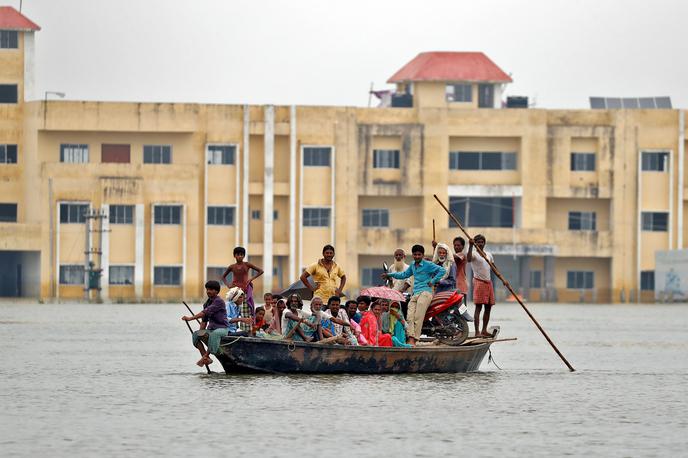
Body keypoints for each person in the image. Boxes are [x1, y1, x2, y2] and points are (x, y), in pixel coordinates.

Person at [382, 244, 446, 346]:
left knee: (418, 317)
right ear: (412, 255)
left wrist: (433, 281)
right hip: (415, 293)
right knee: (409, 317)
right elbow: (403, 275)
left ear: (422, 255)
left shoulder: (427, 264)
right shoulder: (412, 265)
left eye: (419, 254)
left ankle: (414, 339)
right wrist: (389, 275)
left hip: (426, 293)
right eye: (415, 254)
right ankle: (410, 336)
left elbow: (442, 270)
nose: (417, 256)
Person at [181, 280, 229, 367]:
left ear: (216, 291)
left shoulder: (219, 301)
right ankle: (206, 358)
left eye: (211, 289)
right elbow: (204, 321)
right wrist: (200, 334)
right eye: (207, 289)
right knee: (196, 335)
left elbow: (204, 313)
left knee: (214, 334)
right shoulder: (206, 303)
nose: (208, 291)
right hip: (211, 330)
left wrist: (191, 318)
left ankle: (206, 356)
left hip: (222, 329)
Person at [221, 246, 264, 319]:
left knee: (246, 311)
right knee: (232, 311)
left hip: (245, 291)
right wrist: (228, 285)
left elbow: (261, 271)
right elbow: (223, 277)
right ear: (234, 256)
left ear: (244, 256)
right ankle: (233, 327)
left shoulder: (247, 264)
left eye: (242, 254)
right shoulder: (232, 266)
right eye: (238, 254)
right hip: (234, 292)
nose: (240, 256)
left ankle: (247, 329)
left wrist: (251, 279)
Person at [467, 234, 496, 337]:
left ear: (484, 243)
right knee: (478, 308)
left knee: (488, 307)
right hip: (479, 282)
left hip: (488, 283)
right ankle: (477, 332)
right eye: (478, 242)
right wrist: (470, 246)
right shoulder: (474, 254)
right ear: (475, 244)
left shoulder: (488, 254)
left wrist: (503, 279)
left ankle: (484, 330)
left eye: (482, 242)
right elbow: (469, 259)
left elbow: (493, 266)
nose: (480, 244)